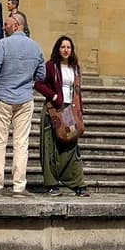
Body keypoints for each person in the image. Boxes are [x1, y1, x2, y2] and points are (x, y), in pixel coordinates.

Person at [0, 11, 47, 195]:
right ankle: (19, 186)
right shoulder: (36, 47)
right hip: (25, 98)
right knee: (21, 143)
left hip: (3, 96)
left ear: (17, 25)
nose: (4, 27)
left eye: (7, 24)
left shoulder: (3, 44)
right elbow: (41, 74)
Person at [38, 34, 89, 196]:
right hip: (53, 110)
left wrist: (79, 110)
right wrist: (53, 96)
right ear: (58, 49)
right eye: (63, 47)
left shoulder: (75, 67)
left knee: (71, 144)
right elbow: (38, 83)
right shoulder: (51, 66)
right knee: (50, 146)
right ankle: (51, 183)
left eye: (68, 47)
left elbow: (77, 91)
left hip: (68, 111)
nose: (66, 50)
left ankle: (77, 183)